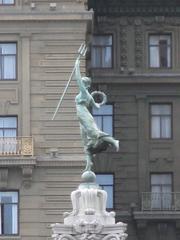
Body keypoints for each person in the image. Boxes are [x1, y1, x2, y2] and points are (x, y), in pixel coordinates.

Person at [74, 59, 119, 170]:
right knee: (86, 143)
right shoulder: (88, 96)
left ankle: (113, 141)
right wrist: (100, 100)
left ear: (85, 85)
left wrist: (76, 67)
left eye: (83, 83)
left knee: (94, 133)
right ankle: (89, 165)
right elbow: (97, 106)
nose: (80, 84)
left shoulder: (84, 93)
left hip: (84, 114)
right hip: (81, 119)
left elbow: (78, 79)